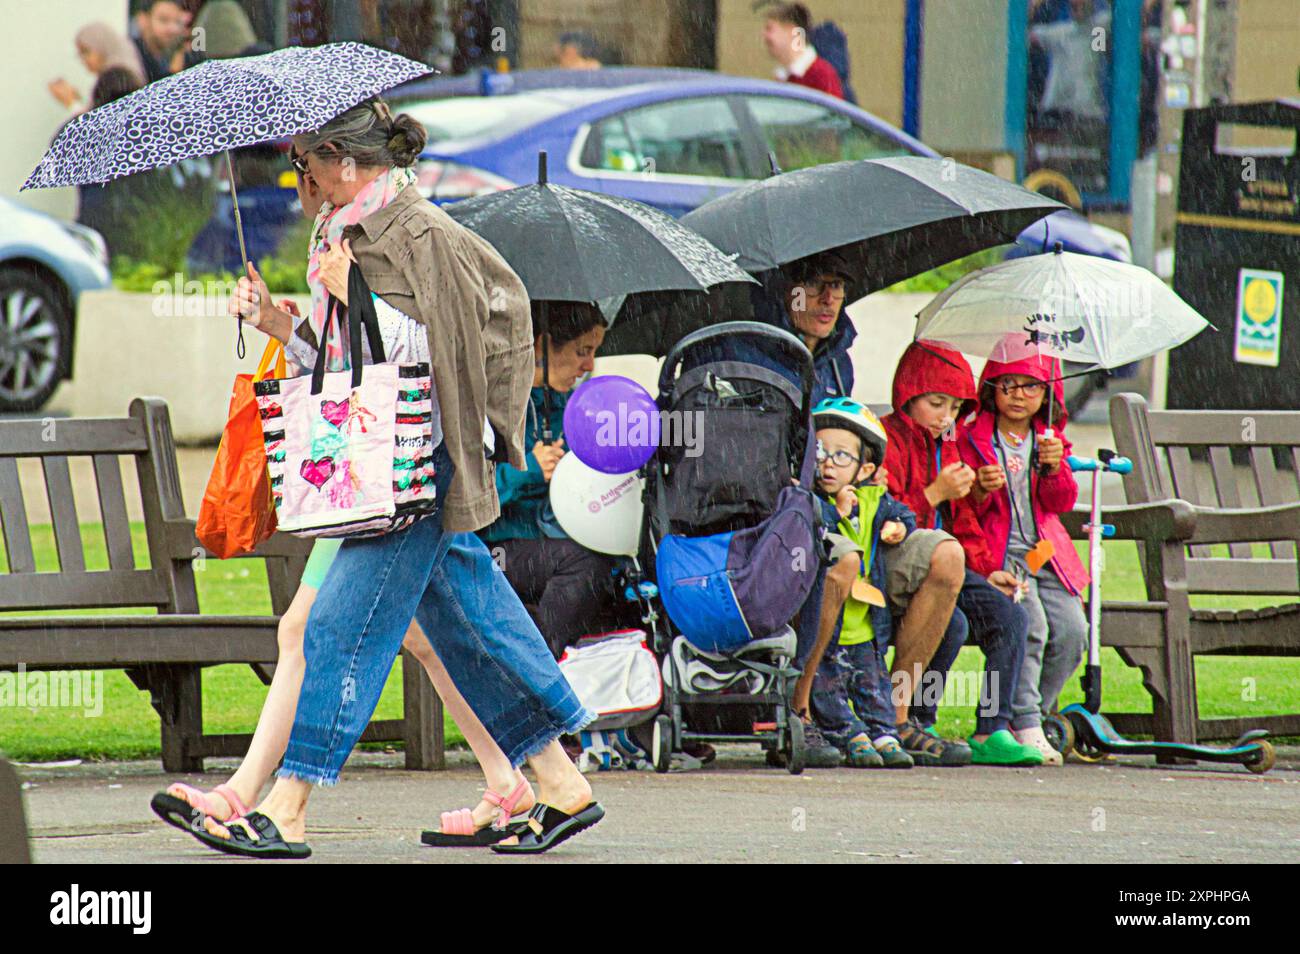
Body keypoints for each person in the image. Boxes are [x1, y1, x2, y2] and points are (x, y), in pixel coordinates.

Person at [188, 98, 602, 858]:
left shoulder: (415, 230)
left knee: (340, 623)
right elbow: (353, 365)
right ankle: (559, 779)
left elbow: (443, 351)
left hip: (420, 458)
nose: (300, 177)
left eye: (306, 161)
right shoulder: (353, 231)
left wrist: (357, 296)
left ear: (345, 160)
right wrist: (282, 324)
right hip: (390, 452)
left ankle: (287, 805)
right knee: (471, 622)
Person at [882, 342, 1042, 766]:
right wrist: (933, 494)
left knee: (1010, 617)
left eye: (955, 408)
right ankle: (920, 717)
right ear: (907, 395)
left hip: (955, 568)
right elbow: (886, 522)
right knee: (953, 624)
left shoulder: (948, 442)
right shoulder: (888, 439)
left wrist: (987, 570)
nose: (946, 417)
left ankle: (992, 727)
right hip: (904, 567)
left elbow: (965, 520)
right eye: (936, 404)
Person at [478, 301, 635, 659]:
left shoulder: (572, 407)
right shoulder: (493, 407)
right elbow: (466, 492)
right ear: (542, 345)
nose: (590, 365)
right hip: (496, 548)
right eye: (582, 351)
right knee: (585, 564)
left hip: (554, 542)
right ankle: (537, 666)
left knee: (620, 569)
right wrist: (529, 472)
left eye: (594, 352)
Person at [956, 349, 1089, 766]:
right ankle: (1026, 721)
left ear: (1047, 394)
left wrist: (1055, 468)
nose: (1018, 395)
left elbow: (1061, 503)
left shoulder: (1049, 440)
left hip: (1046, 553)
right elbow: (964, 511)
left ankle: (1032, 716)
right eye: (1008, 385)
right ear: (991, 389)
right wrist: (980, 489)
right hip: (1002, 554)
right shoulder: (973, 439)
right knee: (1032, 627)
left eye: (1031, 386)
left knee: (1072, 630)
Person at [804, 400, 921, 769]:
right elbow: (808, 528)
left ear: (865, 469)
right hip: (829, 626)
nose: (827, 464)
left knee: (873, 686)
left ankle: (883, 732)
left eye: (841, 456)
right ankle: (848, 733)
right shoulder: (808, 499)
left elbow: (904, 513)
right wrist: (834, 511)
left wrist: (899, 527)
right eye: (820, 452)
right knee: (829, 687)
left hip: (865, 626)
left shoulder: (874, 499)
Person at [48, 22, 145, 113]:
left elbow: (102, 121)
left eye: (86, 52)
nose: (83, 59)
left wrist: (72, 103)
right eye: (80, 54)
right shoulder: (122, 75)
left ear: (102, 47)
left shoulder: (115, 78)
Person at [763, 2, 844, 100]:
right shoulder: (783, 77)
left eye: (770, 29)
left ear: (792, 31)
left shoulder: (822, 75)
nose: (765, 35)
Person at [131, 0, 192, 82]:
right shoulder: (132, 57)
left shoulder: (169, 57)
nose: (172, 29)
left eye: (177, 22)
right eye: (163, 20)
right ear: (143, 20)